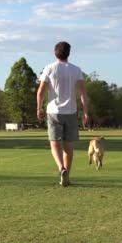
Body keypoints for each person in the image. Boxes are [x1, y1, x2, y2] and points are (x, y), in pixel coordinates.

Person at [37, 41, 89, 187]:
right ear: (69, 53)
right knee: (68, 146)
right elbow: (83, 94)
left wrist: (39, 108)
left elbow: (41, 91)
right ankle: (67, 175)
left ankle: (61, 168)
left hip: (53, 111)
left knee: (54, 144)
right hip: (71, 111)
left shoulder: (49, 68)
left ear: (55, 53)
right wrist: (86, 112)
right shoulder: (76, 70)